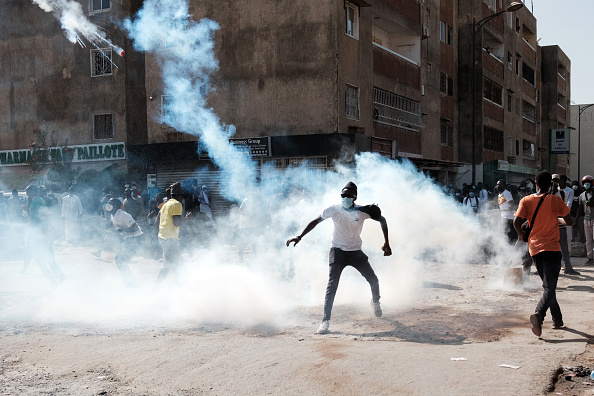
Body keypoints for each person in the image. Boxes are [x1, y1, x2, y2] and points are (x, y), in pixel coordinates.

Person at [286, 182, 392, 334]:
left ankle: (375, 301)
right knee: (332, 285)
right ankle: (325, 321)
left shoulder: (363, 211)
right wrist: (300, 236)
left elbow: (382, 219)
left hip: (356, 252)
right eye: (343, 195)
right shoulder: (333, 210)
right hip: (337, 252)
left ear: (354, 197)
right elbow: (315, 221)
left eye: (349, 196)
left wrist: (387, 242)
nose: (345, 198)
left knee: (373, 280)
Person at [513, 171, 573, 337]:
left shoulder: (526, 200)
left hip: (535, 250)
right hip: (552, 249)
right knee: (549, 287)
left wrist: (521, 235)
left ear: (535, 183)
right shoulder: (556, 200)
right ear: (551, 184)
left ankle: (558, 319)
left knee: (548, 286)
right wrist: (557, 219)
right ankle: (539, 315)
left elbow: (516, 221)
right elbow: (569, 221)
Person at [104, 198, 142, 286]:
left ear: (116, 206)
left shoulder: (123, 215)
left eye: (111, 203)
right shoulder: (112, 215)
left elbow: (135, 228)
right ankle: (130, 282)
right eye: (108, 203)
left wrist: (119, 231)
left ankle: (131, 283)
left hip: (136, 239)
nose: (108, 205)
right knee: (120, 261)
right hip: (128, 239)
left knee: (120, 260)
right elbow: (117, 228)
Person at [155, 182, 185, 283]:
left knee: (175, 262)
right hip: (170, 239)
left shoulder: (165, 204)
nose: (182, 198)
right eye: (182, 195)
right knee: (169, 265)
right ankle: (156, 288)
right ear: (179, 195)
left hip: (163, 237)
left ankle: (177, 284)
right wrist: (187, 219)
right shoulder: (177, 204)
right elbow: (177, 223)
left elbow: (157, 222)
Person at [551, 174, 579, 275]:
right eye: (553, 180)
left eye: (557, 180)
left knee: (565, 243)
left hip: (561, 219)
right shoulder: (549, 191)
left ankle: (567, 265)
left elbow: (567, 206)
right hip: (550, 221)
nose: (555, 182)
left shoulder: (564, 192)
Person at [575, 175, 594, 265]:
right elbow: (580, 208)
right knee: (588, 240)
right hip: (586, 219)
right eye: (585, 183)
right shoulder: (582, 195)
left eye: (588, 183)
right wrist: (576, 219)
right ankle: (590, 257)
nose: (587, 184)